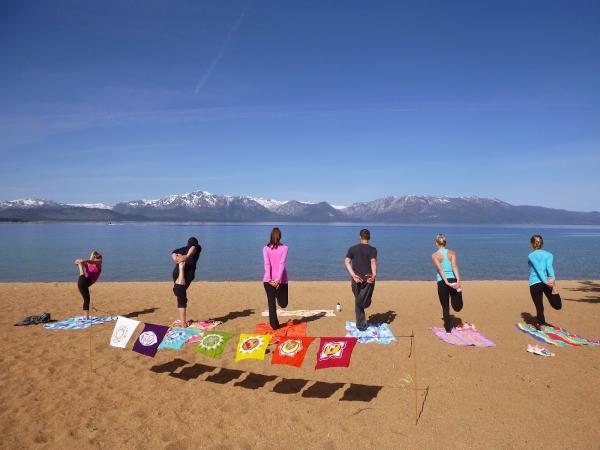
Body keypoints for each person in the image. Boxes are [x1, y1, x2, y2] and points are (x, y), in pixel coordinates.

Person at [344, 228, 377, 331]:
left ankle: (361, 324)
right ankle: (361, 325)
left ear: (359, 237)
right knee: (360, 302)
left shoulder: (352, 249)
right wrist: (374, 275)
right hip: (365, 279)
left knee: (359, 302)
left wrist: (353, 275)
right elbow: (373, 262)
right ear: (369, 238)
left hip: (360, 279)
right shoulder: (372, 249)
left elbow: (346, 261)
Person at [528, 234, 561, 329]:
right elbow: (549, 268)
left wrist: (546, 282)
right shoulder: (549, 254)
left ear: (532, 244)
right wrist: (552, 280)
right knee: (557, 306)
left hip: (535, 283)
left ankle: (541, 324)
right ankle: (555, 290)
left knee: (539, 306)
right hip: (547, 281)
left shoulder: (531, 255)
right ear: (542, 243)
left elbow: (539, 269)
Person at [431, 234, 463, 332]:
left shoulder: (434, 255)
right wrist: (458, 280)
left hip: (442, 282)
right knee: (457, 307)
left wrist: (445, 282)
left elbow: (440, 269)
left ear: (436, 243)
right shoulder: (452, 253)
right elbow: (454, 266)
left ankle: (448, 330)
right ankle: (458, 295)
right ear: (445, 243)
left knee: (445, 306)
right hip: (453, 280)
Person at [171, 237, 202, 327]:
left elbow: (192, 248)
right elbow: (173, 253)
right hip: (183, 274)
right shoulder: (187, 248)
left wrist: (185, 256)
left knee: (180, 295)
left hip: (182, 276)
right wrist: (176, 259)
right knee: (180, 295)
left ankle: (183, 322)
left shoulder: (196, 248)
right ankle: (183, 323)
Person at [263, 227, 289, 330]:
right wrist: (273, 279)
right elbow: (268, 264)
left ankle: (277, 292)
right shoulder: (266, 248)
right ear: (280, 237)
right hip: (275, 280)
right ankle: (275, 326)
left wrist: (274, 279)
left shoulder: (284, 248)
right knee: (273, 304)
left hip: (276, 281)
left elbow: (279, 264)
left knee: (281, 304)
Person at [74, 250, 103, 320]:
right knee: (87, 300)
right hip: (83, 282)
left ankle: (86, 317)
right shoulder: (90, 265)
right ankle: (86, 317)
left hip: (81, 283)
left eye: (101, 260)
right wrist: (80, 262)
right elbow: (89, 261)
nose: (101, 261)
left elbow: (92, 260)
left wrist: (90, 257)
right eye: (100, 259)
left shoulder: (97, 264)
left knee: (86, 300)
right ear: (95, 258)